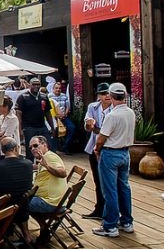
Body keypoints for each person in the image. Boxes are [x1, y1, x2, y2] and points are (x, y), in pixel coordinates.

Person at [92, 83, 135, 237]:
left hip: (110, 153)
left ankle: (110, 225)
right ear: (125, 96)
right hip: (125, 152)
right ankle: (127, 221)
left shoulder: (112, 115)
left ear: (111, 96)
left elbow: (101, 138)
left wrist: (97, 150)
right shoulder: (130, 112)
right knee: (124, 187)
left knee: (110, 190)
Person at [0, 137, 34, 244]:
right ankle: (26, 234)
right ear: (15, 148)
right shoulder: (28, 164)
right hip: (23, 207)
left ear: (3, 151)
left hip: (3, 209)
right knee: (20, 195)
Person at [28, 135, 67, 244]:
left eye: (35, 145)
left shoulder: (49, 157)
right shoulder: (44, 158)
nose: (33, 149)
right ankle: (44, 228)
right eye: (30, 147)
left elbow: (63, 173)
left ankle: (27, 236)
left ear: (45, 145)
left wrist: (46, 165)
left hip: (50, 202)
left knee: (19, 205)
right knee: (24, 202)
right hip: (53, 200)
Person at [82, 83, 112, 219]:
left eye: (108, 93)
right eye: (103, 93)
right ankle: (100, 209)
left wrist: (97, 130)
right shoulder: (93, 107)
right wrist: (89, 124)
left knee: (110, 182)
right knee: (97, 181)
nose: (107, 96)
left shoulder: (115, 109)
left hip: (109, 148)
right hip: (94, 148)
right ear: (99, 96)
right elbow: (88, 125)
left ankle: (110, 212)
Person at [16, 77, 56, 161]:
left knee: (48, 146)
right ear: (30, 85)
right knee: (31, 149)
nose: (36, 86)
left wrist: (52, 127)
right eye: (34, 84)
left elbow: (48, 113)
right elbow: (18, 114)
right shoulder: (23, 97)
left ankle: (48, 164)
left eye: (38, 84)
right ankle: (30, 167)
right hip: (29, 127)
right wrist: (20, 130)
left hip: (42, 126)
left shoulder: (44, 96)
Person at [0, 96, 20, 161]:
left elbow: (7, 137)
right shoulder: (0, 117)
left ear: (6, 107)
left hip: (11, 152)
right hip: (0, 150)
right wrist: (0, 133)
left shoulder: (13, 119)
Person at [49, 82, 75, 154]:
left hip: (64, 117)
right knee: (54, 131)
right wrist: (56, 116)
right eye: (56, 88)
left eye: (59, 88)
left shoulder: (64, 96)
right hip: (54, 118)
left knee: (72, 128)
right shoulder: (49, 96)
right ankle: (54, 149)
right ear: (53, 89)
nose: (58, 89)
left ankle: (65, 146)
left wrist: (65, 114)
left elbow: (67, 107)